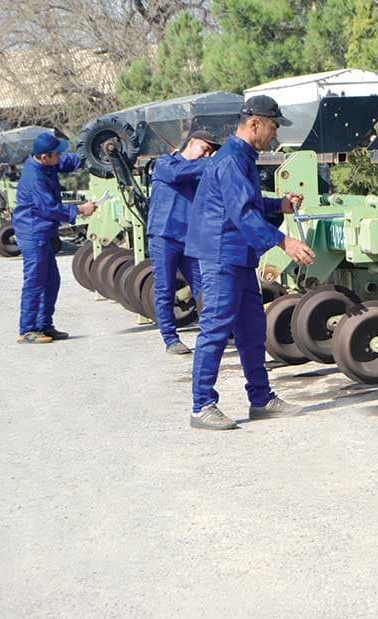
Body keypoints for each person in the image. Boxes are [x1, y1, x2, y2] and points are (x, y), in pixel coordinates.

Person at [185, 95, 315, 431]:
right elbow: (241, 213)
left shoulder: (241, 157)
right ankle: (202, 406)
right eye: (272, 127)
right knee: (215, 328)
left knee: (252, 329)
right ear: (254, 123)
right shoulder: (230, 160)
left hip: (236, 255)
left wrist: (279, 205)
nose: (274, 135)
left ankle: (260, 399)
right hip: (220, 254)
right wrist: (284, 241)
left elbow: (248, 201)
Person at [13, 132, 96, 344]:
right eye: (56, 154)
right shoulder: (35, 179)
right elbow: (49, 208)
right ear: (43, 157)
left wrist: (91, 154)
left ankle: (44, 325)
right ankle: (28, 329)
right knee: (35, 280)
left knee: (51, 280)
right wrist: (80, 209)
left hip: (42, 230)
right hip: (33, 232)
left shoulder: (46, 163)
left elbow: (67, 160)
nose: (59, 157)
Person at [147, 130, 221, 355]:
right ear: (192, 142)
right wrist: (212, 164)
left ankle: (214, 333)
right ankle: (170, 339)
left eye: (210, 151)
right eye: (204, 148)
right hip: (163, 236)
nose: (206, 153)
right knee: (165, 287)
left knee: (203, 287)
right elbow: (177, 174)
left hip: (190, 240)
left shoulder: (200, 172)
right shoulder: (165, 163)